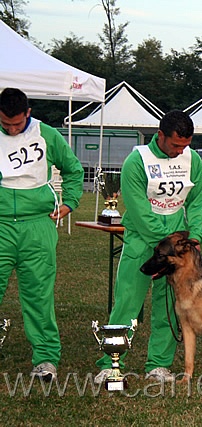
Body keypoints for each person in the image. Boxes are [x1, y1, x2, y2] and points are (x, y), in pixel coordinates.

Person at [94, 110, 202, 384]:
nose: (181, 150)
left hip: (178, 248)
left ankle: (159, 364)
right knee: (127, 301)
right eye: (176, 145)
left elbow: (198, 199)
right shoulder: (136, 161)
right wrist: (168, 240)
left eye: (186, 145)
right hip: (142, 242)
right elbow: (138, 209)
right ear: (160, 136)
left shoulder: (193, 159)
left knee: (169, 304)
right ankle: (110, 362)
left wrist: (196, 234)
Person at [0, 87, 84, 381]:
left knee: (38, 295)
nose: (11, 129)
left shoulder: (47, 133)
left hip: (38, 224)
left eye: (16, 123)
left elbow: (73, 169)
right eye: (5, 124)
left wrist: (70, 202)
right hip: (0, 226)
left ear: (28, 114)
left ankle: (46, 359)